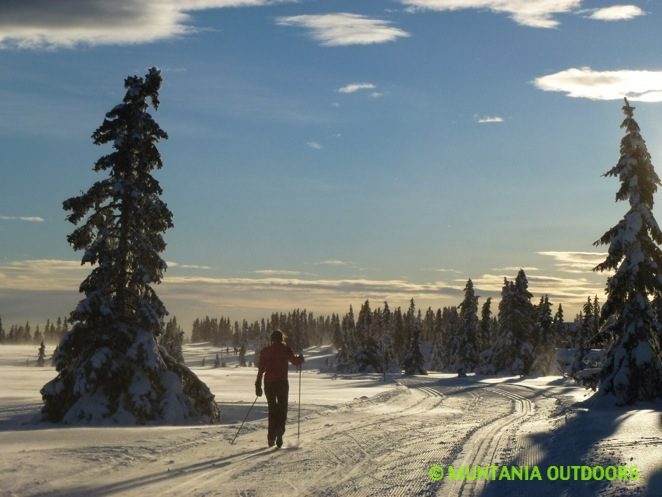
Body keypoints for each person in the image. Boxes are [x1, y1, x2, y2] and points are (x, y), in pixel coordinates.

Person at [255, 330, 304, 448]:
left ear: (271, 339)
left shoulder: (265, 351)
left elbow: (261, 369)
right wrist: (300, 359)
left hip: (269, 383)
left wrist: (258, 385)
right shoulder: (285, 349)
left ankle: (271, 437)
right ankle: (279, 433)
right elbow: (295, 361)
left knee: (272, 410)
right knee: (282, 409)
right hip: (282, 383)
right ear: (281, 338)